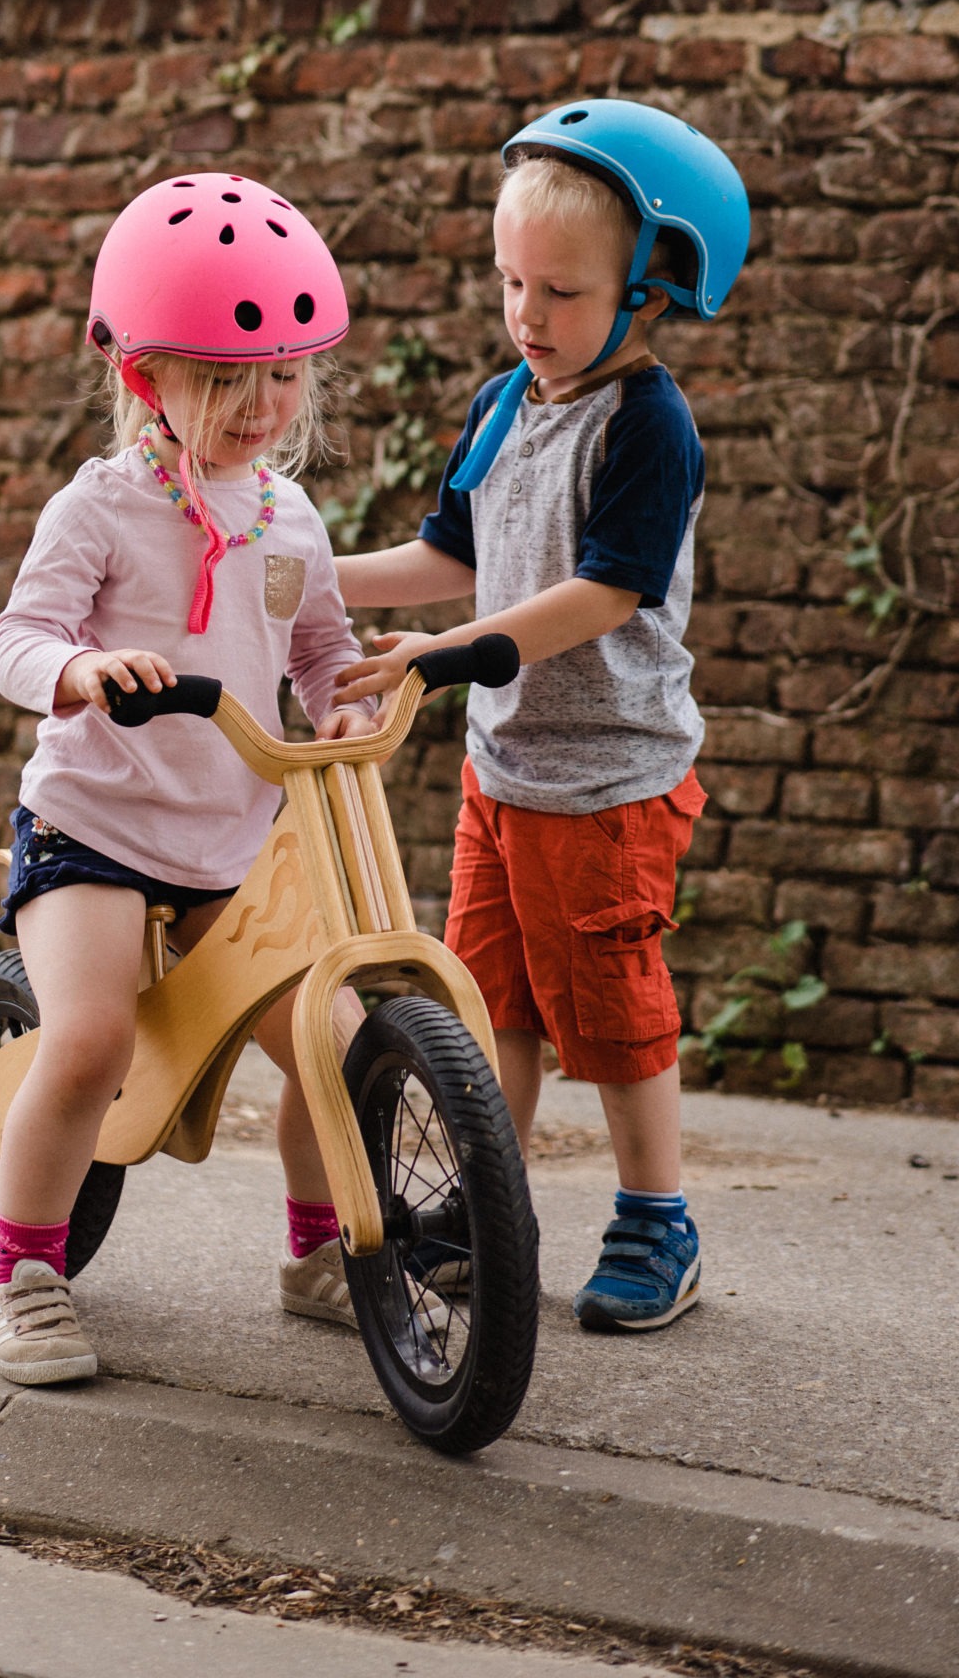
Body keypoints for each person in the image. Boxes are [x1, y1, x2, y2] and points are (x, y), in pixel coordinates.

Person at [331, 100, 749, 1331]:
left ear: (650, 291)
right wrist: (307, 570)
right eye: (511, 282)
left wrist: (451, 654)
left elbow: (603, 593)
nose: (528, 315)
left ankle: (655, 1219)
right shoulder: (503, 400)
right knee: (491, 1004)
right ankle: (489, 1210)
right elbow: (447, 552)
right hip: (502, 771)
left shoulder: (646, 425)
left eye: (561, 293)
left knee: (612, 1014)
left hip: (607, 784)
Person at [0, 172, 377, 1386]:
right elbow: (18, 640)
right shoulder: (99, 507)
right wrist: (86, 671)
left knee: (332, 1037)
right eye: (224, 378)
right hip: (94, 827)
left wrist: (360, 691)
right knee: (93, 1035)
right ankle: (25, 1272)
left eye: (282, 375)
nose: (261, 405)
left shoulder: (290, 520)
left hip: (230, 839)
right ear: (146, 374)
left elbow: (319, 656)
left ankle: (319, 1250)